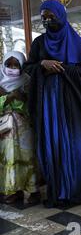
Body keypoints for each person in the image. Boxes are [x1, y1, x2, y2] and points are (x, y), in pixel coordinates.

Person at [24, 0, 81, 207]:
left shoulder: (76, 43)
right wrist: (43, 64)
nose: (47, 21)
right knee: (55, 146)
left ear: (61, 16)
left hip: (74, 106)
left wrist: (64, 68)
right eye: (44, 17)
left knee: (76, 146)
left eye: (51, 16)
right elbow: (29, 67)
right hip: (49, 107)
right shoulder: (39, 43)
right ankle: (59, 189)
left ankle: (79, 187)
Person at [0, 51, 41, 204]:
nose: (12, 68)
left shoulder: (27, 81)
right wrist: (8, 97)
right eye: (8, 64)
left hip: (24, 126)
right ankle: (11, 191)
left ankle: (33, 191)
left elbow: (35, 105)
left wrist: (22, 97)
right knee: (8, 158)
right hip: (5, 128)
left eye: (16, 65)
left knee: (27, 158)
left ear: (22, 66)